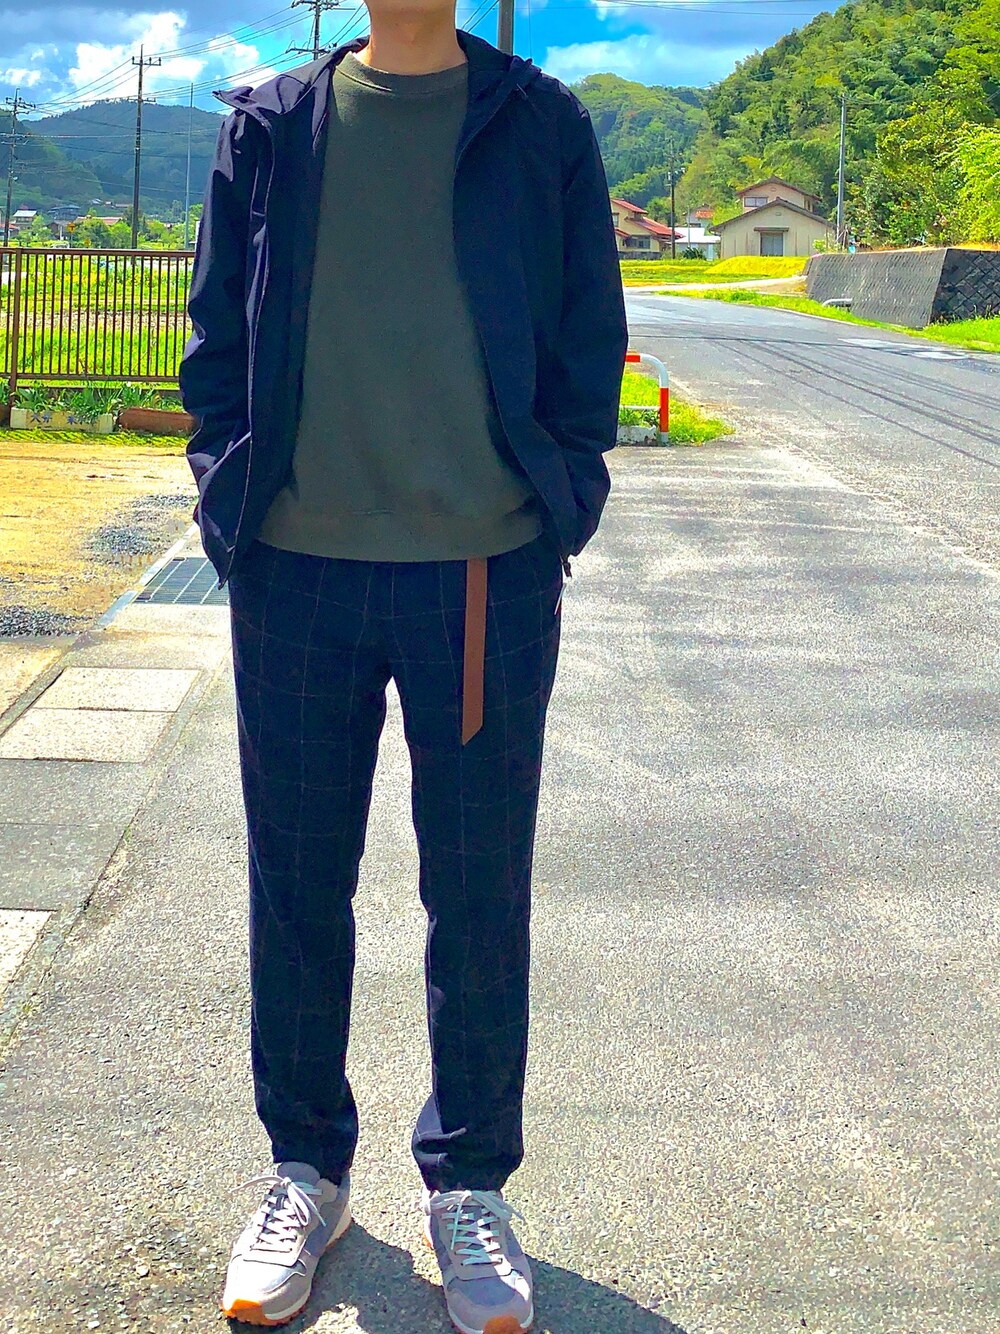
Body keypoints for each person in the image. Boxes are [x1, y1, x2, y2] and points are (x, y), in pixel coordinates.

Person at [178, 0, 627, 1326]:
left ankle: (470, 1184)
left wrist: (559, 499)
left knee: (477, 891)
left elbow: (586, 329)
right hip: (296, 566)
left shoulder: (539, 124)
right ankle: (305, 1170)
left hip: (483, 573)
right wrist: (227, 488)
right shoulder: (272, 124)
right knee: (296, 884)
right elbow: (216, 332)